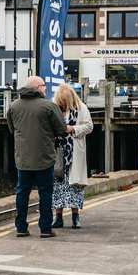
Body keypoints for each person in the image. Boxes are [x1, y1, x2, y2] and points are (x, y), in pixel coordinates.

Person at [7, 76, 70, 238]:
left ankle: (21, 227)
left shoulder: (13, 107)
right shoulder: (48, 106)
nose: (45, 89)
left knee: (22, 192)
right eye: (43, 86)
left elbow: (12, 129)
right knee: (45, 193)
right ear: (36, 87)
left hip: (23, 159)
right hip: (44, 157)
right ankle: (45, 228)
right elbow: (61, 128)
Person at [51, 83, 94, 229]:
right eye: (60, 102)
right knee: (58, 183)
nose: (62, 105)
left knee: (74, 184)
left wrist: (73, 129)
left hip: (74, 151)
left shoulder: (81, 108)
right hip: (58, 151)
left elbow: (89, 126)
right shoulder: (54, 108)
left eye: (64, 102)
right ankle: (58, 217)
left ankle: (75, 217)